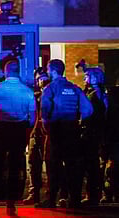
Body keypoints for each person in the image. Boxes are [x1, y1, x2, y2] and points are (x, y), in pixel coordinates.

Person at [0, 59, 36, 216]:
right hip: (19, 129)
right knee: (15, 166)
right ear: (18, 71)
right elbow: (32, 116)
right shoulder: (27, 91)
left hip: (2, 128)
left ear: (5, 71)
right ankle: (11, 204)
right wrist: (28, 133)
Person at [40, 59, 93, 209]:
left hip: (56, 129)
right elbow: (88, 110)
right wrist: (79, 120)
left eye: (48, 69)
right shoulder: (75, 88)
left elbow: (45, 111)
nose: (47, 71)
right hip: (72, 129)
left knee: (53, 165)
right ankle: (74, 199)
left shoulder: (50, 89)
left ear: (53, 71)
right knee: (72, 166)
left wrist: (46, 125)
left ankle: (51, 199)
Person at [80, 67, 109, 207]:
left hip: (91, 134)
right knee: (95, 166)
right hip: (97, 134)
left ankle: (92, 195)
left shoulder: (94, 95)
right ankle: (97, 194)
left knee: (91, 166)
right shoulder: (101, 93)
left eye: (87, 76)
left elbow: (89, 115)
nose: (84, 79)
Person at [24, 67, 49, 206]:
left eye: (43, 77)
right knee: (33, 164)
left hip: (47, 133)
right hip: (35, 133)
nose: (41, 81)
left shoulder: (51, 93)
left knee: (51, 164)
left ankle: (52, 195)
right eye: (39, 78)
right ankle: (34, 194)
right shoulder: (34, 95)